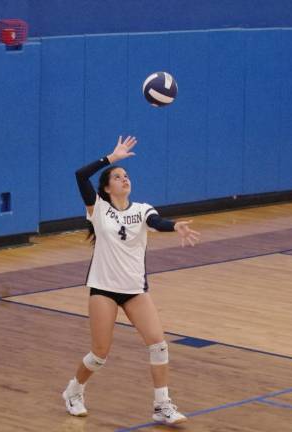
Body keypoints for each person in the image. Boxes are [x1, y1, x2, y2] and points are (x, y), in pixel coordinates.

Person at [62, 135, 200, 426]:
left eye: (126, 176)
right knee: (100, 354)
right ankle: (74, 391)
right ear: (107, 187)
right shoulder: (97, 209)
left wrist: (175, 227)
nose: (124, 179)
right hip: (103, 290)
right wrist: (112, 159)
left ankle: (162, 405)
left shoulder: (142, 210)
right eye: (118, 176)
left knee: (159, 344)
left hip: (135, 290)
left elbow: (157, 223)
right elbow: (79, 175)